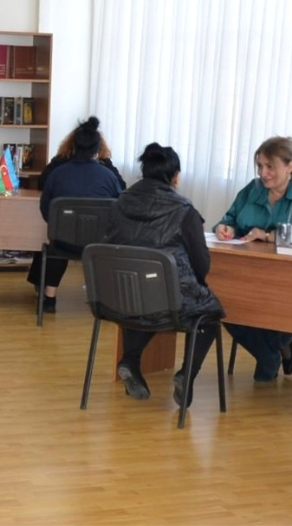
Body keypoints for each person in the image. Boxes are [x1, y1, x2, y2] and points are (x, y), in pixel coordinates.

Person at [108, 143, 225, 407]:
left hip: (119, 298)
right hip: (165, 301)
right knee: (208, 315)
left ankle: (130, 361)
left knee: (144, 302)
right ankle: (186, 375)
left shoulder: (119, 202)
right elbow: (202, 265)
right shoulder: (184, 210)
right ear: (175, 177)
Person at [214, 136, 292, 381]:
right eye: (260, 166)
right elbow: (228, 219)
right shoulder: (253, 189)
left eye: (270, 166)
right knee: (222, 302)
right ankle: (272, 355)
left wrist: (267, 236)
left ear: (290, 166)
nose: (263, 173)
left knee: (277, 304)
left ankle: (273, 354)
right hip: (250, 268)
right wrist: (225, 228)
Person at [29, 117, 124, 313]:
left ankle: (49, 299)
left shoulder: (58, 173)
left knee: (56, 244)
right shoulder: (108, 175)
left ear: (73, 145)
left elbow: (45, 207)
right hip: (99, 241)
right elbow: (119, 204)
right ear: (98, 149)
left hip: (63, 240)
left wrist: (55, 225)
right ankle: (103, 299)